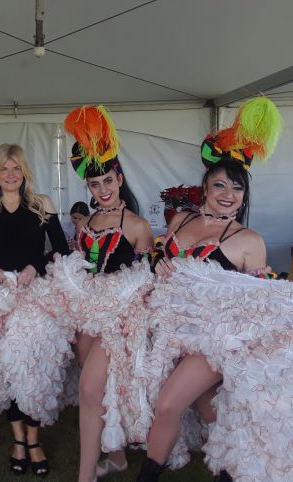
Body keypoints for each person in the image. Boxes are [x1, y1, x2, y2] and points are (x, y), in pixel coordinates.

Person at [136, 97, 282, 482]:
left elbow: (256, 310)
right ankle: (232, 468)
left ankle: (147, 476)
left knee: (168, 404)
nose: (228, 194)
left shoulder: (249, 240)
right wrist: (159, 262)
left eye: (237, 188)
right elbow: (155, 258)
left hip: (211, 342)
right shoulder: (181, 220)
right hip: (166, 331)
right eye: (220, 184)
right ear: (205, 186)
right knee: (208, 410)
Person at [0, 143, 71, 477]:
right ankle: (18, 441)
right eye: (3, 169)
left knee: (33, 366)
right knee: (5, 370)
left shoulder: (42, 205)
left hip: (34, 294)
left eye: (16, 168)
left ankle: (34, 438)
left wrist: (34, 265)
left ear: (24, 171)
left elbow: (61, 250)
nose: (10, 175)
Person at [64, 105, 153, 482]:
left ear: (119, 178)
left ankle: (85, 475)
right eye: (94, 185)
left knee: (87, 389)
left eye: (107, 182)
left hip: (120, 320)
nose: (101, 191)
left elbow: (149, 280)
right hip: (87, 312)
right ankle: (116, 457)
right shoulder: (90, 221)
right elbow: (83, 265)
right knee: (97, 387)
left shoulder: (138, 225)